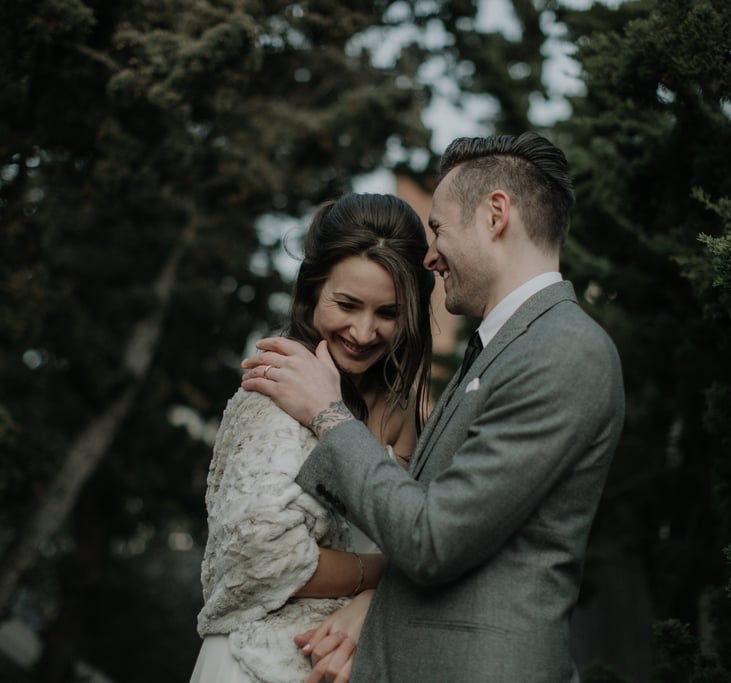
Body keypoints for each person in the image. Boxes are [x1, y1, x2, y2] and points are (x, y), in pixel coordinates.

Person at [241, 132, 626, 683]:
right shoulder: (504, 348)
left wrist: (328, 414)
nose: (429, 254)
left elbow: (433, 540)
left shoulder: (563, 350)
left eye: (439, 228)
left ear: (496, 215)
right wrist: (374, 600)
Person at [190, 193, 435, 683]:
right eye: (346, 304)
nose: (363, 332)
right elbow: (261, 558)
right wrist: (385, 574)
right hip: (256, 667)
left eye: (387, 312)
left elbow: (413, 530)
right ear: (310, 291)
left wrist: (371, 600)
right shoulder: (273, 391)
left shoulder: (405, 406)